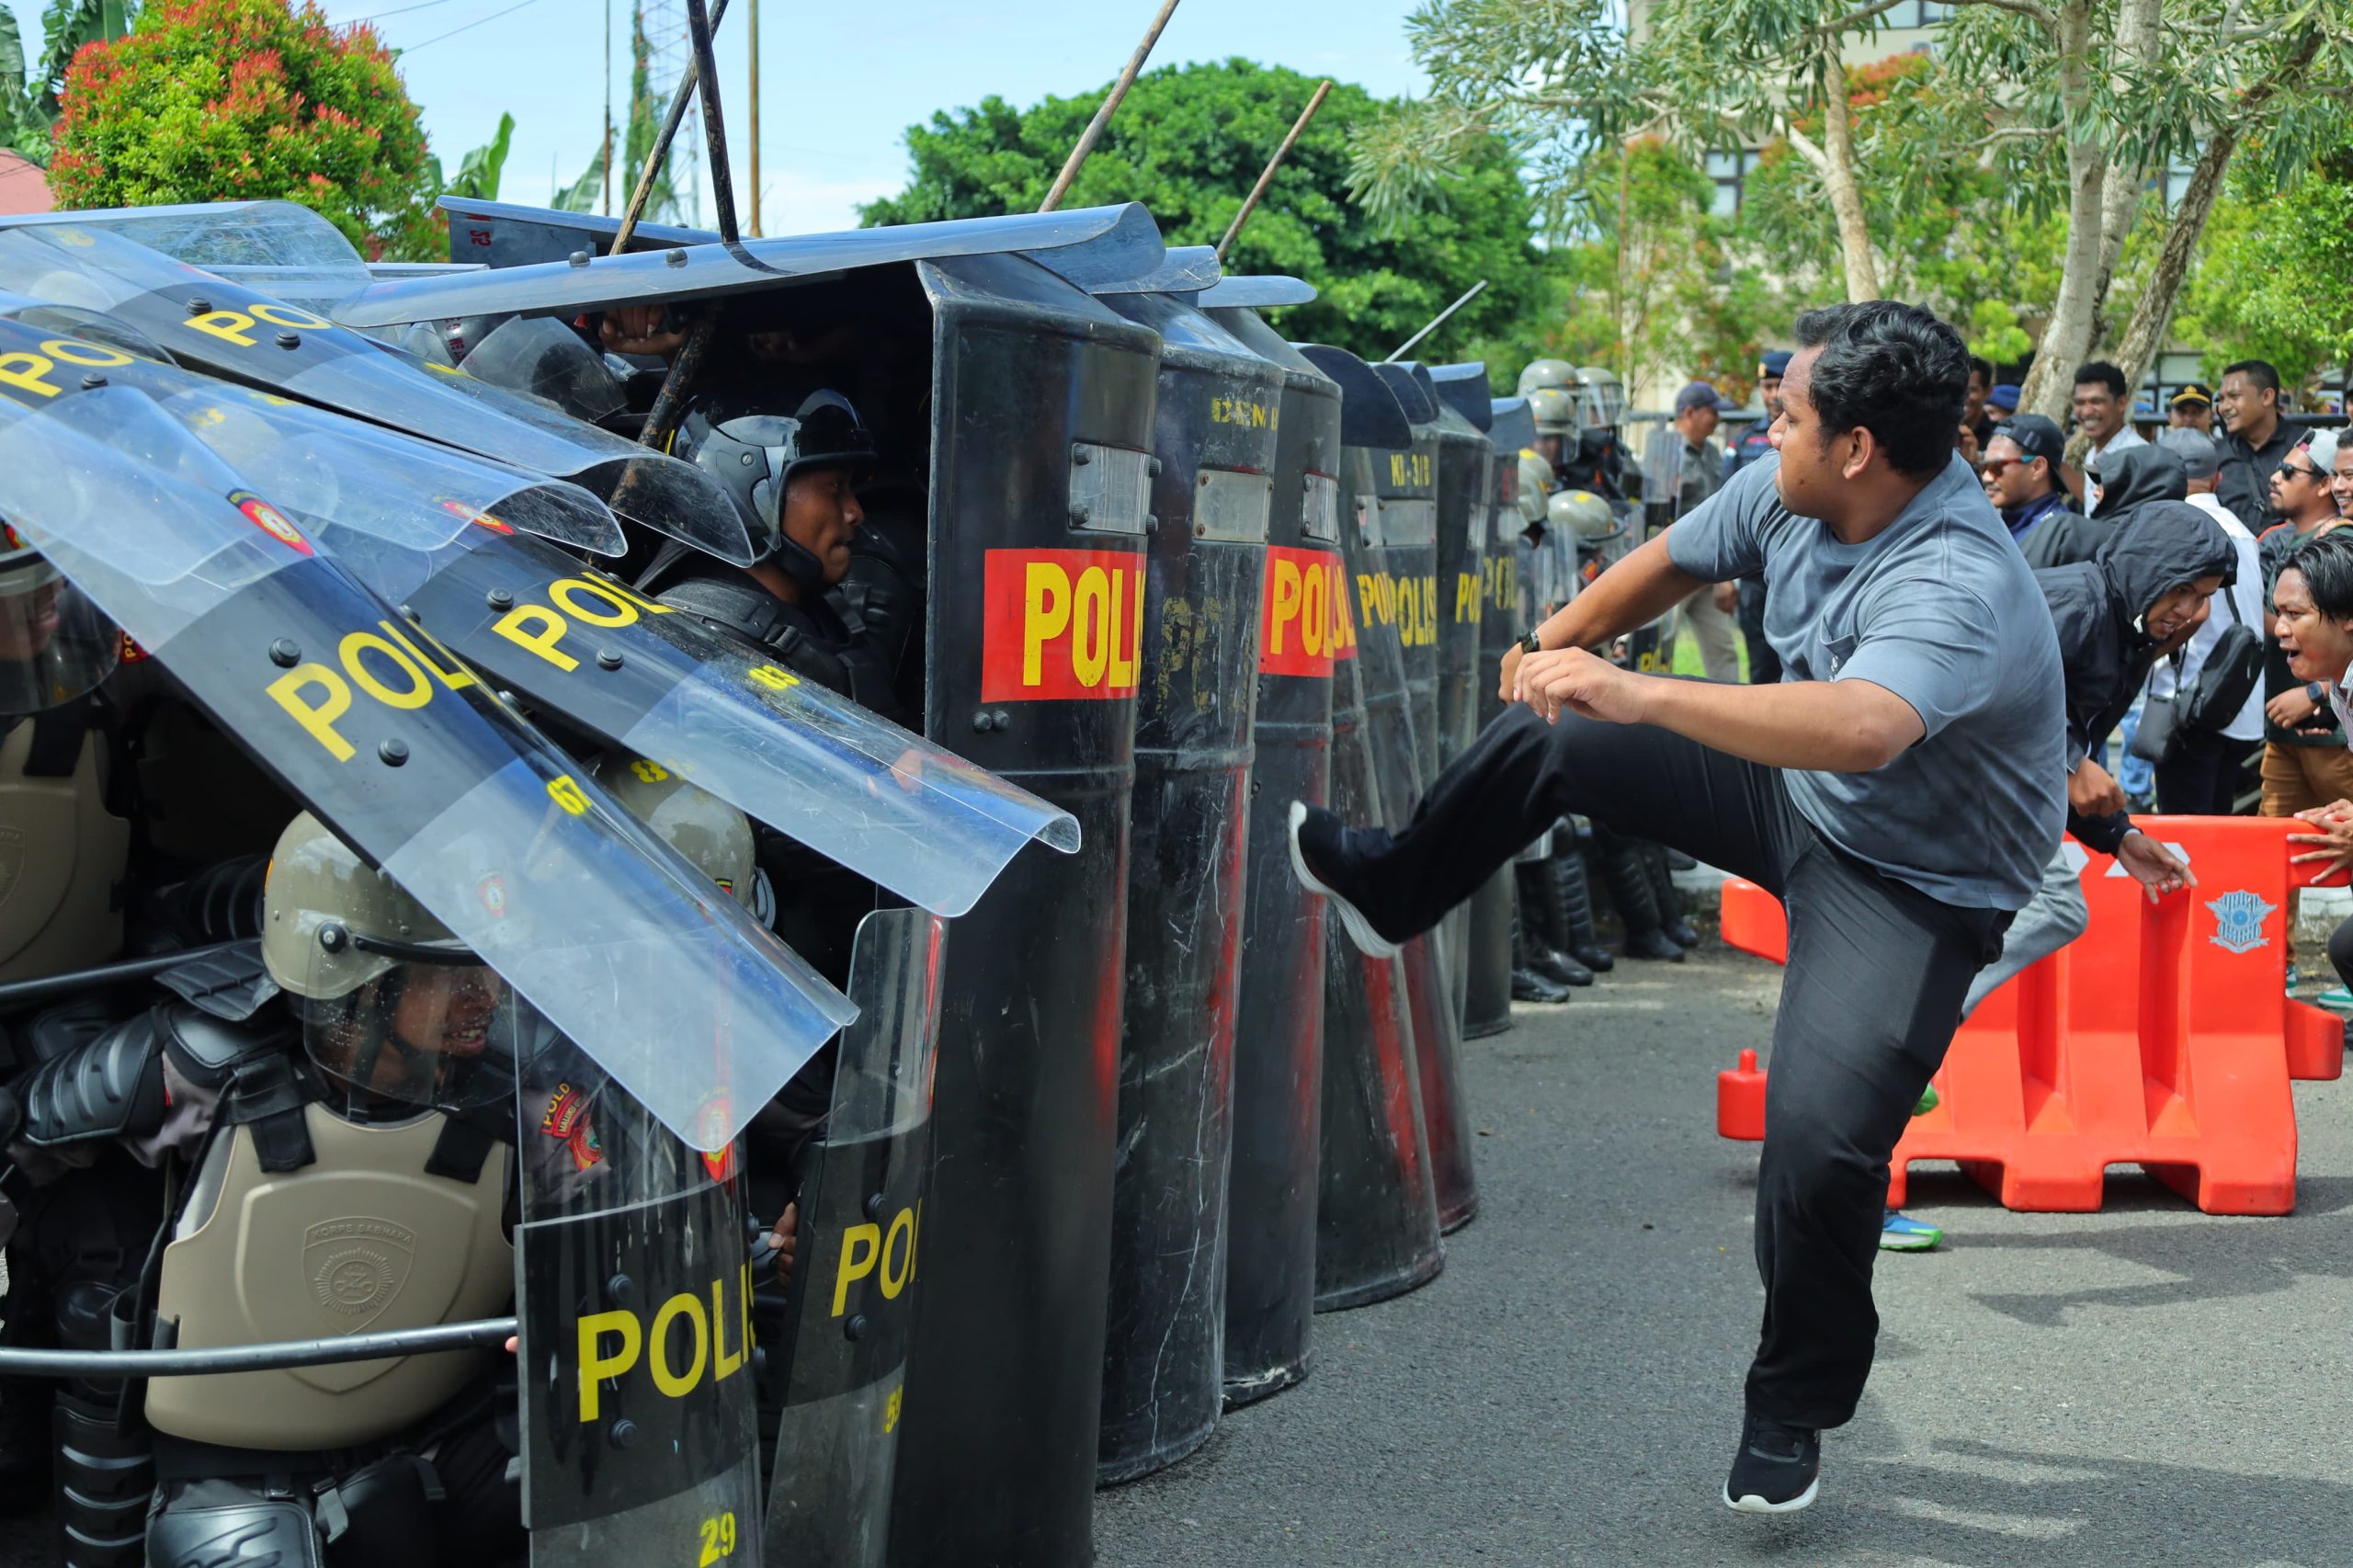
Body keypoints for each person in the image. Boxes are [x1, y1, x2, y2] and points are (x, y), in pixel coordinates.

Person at [1288, 301, 2064, 1516]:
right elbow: (1675, 559)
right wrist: (1561, 641)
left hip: (1917, 883)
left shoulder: (1959, 580)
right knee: (1562, 723)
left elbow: (1863, 727)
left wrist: (1635, 692)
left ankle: (1791, 1406)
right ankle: (1399, 886)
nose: (1766, 436)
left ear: (1856, 447)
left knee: (1818, 1147)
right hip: (1801, 798)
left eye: (1789, 420)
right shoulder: (1795, 488)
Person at [1883, 501, 2224, 1252]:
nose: (2191, 612)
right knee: (2052, 908)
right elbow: (1984, 694)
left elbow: (2072, 735)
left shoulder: (2131, 629)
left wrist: (2121, 835)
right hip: (1946, 784)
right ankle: (1909, 1037)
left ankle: (1901, 1047)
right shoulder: (2071, 603)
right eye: (2184, 591)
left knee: (2010, 922)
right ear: (2148, 570)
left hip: (1990, 794)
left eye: (2205, 599)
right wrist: (2071, 765)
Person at [2149, 427, 2265, 813]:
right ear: (2217, 478)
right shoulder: (2241, 529)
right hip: (2236, 702)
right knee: (2218, 829)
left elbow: (2198, 610)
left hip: (2192, 707)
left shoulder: (2182, 524)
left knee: (2185, 837)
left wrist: (2140, 658)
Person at [2257, 436, 2353, 815]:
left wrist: (2313, 693)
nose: (2281, 627)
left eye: (2295, 615)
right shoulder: (2284, 540)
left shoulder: (2341, 545)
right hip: (2293, 728)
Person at [2274, 535, 2353, 984]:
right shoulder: (2341, 686)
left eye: (2296, 614)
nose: (2281, 628)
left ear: (2347, 619)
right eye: (2279, 613)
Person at [1657, 381, 1743, 682]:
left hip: (1707, 568)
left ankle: (1731, 722)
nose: (1717, 419)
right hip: (1672, 568)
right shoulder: (1664, 454)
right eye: (1712, 412)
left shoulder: (1711, 453)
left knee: (1722, 648)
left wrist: (1725, 576)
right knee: (1657, 645)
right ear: (1690, 413)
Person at [2021, 442, 2188, 572]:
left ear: (2135, 488)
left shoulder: (2070, 531)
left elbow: (2010, 585)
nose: (2095, 492)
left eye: (2107, 483)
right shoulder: (2178, 552)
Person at [1727, 353, 1789, 684]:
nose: (1773, 394)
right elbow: (1724, 504)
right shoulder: (1744, 440)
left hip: (1795, 564)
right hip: (1755, 572)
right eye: (1767, 386)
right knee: (1761, 665)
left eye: (1780, 385)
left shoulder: (1812, 434)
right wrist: (1723, 580)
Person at [2217, 359, 2297, 530]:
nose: (2224, 407)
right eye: (2221, 399)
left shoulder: (2303, 447)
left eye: (2234, 396)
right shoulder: (2215, 455)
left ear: (2267, 397)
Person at [1979, 413, 2075, 548]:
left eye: (1996, 467)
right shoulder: (2002, 524)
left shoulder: (2057, 537)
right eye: (1983, 467)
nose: (1986, 477)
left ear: (2037, 467)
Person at [2064, 361, 2144, 512]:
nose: (2086, 412)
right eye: (2080, 402)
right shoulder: (2092, 454)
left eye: (2096, 402)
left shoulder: (2138, 457)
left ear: (2121, 403)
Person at [1962, 356, 1997, 456]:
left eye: (1970, 390)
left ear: (1987, 391)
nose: (1962, 397)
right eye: (1957, 388)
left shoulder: (1998, 437)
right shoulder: (1937, 432)